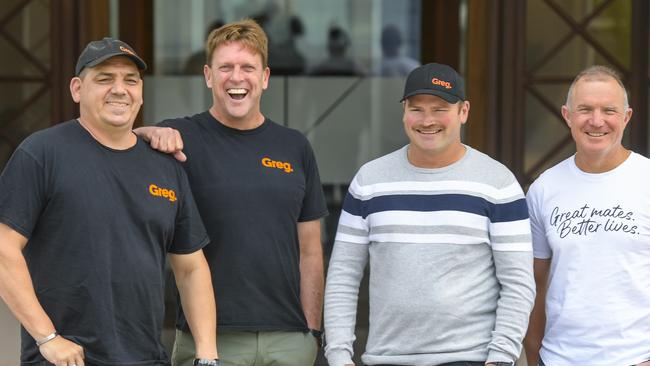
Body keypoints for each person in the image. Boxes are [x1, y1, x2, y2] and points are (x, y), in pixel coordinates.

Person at [0, 38, 219, 366]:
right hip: (64, 361)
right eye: (104, 79)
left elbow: (191, 268)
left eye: (130, 80)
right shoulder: (42, 154)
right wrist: (47, 338)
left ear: (141, 92)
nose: (120, 89)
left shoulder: (166, 167)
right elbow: (4, 249)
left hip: (147, 358)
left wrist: (206, 355)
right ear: (77, 89)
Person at [134, 19, 328, 366]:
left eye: (247, 68)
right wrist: (147, 132)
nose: (236, 78)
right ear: (208, 76)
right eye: (226, 67)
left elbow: (310, 250)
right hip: (208, 340)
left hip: (288, 339)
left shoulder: (295, 146)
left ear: (265, 78)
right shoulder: (180, 138)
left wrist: (311, 332)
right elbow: (118, 149)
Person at [323, 63, 535, 366]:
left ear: (464, 112)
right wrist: (339, 356)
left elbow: (518, 282)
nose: (427, 120)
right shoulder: (369, 181)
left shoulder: (497, 183)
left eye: (440, 109)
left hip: (470, 358)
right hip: (387, 358)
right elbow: (344, 274)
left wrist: (500, 358)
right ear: (404, 113)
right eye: (416, 109)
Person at [524, 65, 650, 366]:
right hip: (559, 359)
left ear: (626, 117)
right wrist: (533, 355)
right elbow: (533, 286)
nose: (596, 121)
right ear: (567, 115)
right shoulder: (543, 189)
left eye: (608, 110)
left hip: (636, 358)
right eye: (585, 109)